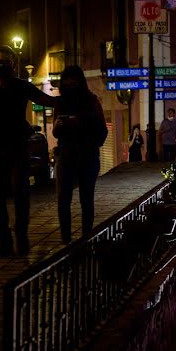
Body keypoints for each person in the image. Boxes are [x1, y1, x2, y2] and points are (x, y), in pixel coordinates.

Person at [0, 46, 58, 257]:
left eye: (6, 63)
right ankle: (4, 240)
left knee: (21, 192)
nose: (2, 66)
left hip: (18, 148)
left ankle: (21, 235)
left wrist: (72, 97)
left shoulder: (21, 87)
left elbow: (47, 101)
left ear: (13, 66)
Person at [53, 65, 108, 244]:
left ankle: (86, 238)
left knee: (86, 199)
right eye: (66, 83)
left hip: (87, 154)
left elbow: (101, 130)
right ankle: (66, 241)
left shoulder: (91, 101)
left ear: (80, 82)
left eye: (73, 83)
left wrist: (81, 122)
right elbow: (56, 132)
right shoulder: (60, 103)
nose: (70, 87)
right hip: (66, 154)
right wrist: (56, 127)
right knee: (63, 200)